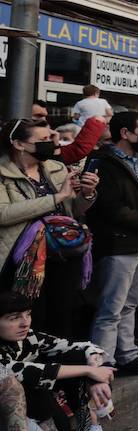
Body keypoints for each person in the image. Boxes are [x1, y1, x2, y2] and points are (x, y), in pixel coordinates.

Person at [0, 291, 133, 431]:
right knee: (33, 381)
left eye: (28, 315)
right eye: (14, 318)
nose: (25, 323)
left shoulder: (29, 337)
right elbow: (20, 370)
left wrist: (94, 375)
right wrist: (87, 371)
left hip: (41, 408)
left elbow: (79, 346)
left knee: (77, 355)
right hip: (18, 418)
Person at [86, 112, 138, 377]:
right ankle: (103, 364)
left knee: (131, 303)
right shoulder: (103, 162)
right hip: (121, 243)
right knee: (111, 306)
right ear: (124, 133)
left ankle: (128, 354)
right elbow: (110, 207)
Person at [0, 118, 97, 338]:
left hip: (63, 254)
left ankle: (60, 366)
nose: (52, 144)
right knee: (31, 317)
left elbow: (72, 210)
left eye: (52, 138)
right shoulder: (3, 173)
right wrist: (57, 197)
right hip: (23, 259)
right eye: (44, 139)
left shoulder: (56, 168)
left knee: (62, 314)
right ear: (18, 144)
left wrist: (87, 194)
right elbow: (3, 214)